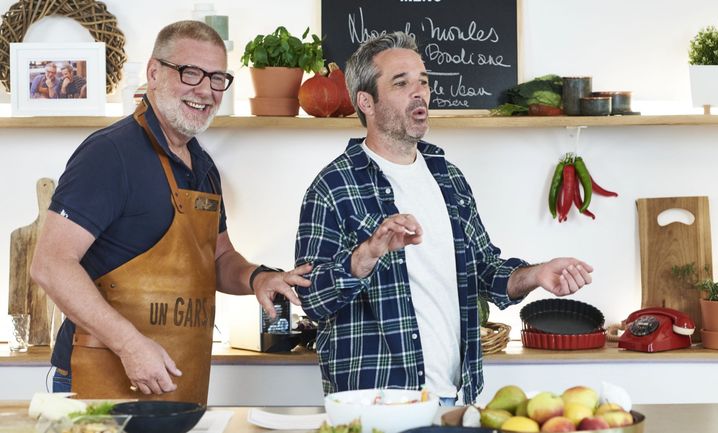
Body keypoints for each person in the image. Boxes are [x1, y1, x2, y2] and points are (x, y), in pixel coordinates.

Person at [294, 32, 593, 406]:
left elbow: (485, 271)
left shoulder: (448, 177)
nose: (419, 93)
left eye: (423, 82)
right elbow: (311, 298)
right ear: (365, 102)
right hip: (375, 403)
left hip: (455, 397)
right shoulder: (333, 186)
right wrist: (366, 255)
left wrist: (537, 274)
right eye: (401, 84)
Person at [30, 20, 311, 404]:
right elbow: (50, 264)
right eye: (191, 73)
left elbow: (218, 257)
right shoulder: (109, 154)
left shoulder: (204, 168)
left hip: (179, 380)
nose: (205, 90)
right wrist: (129, 345)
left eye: (216, 78)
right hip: (101, 381)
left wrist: (256, 278)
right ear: (153, 73)